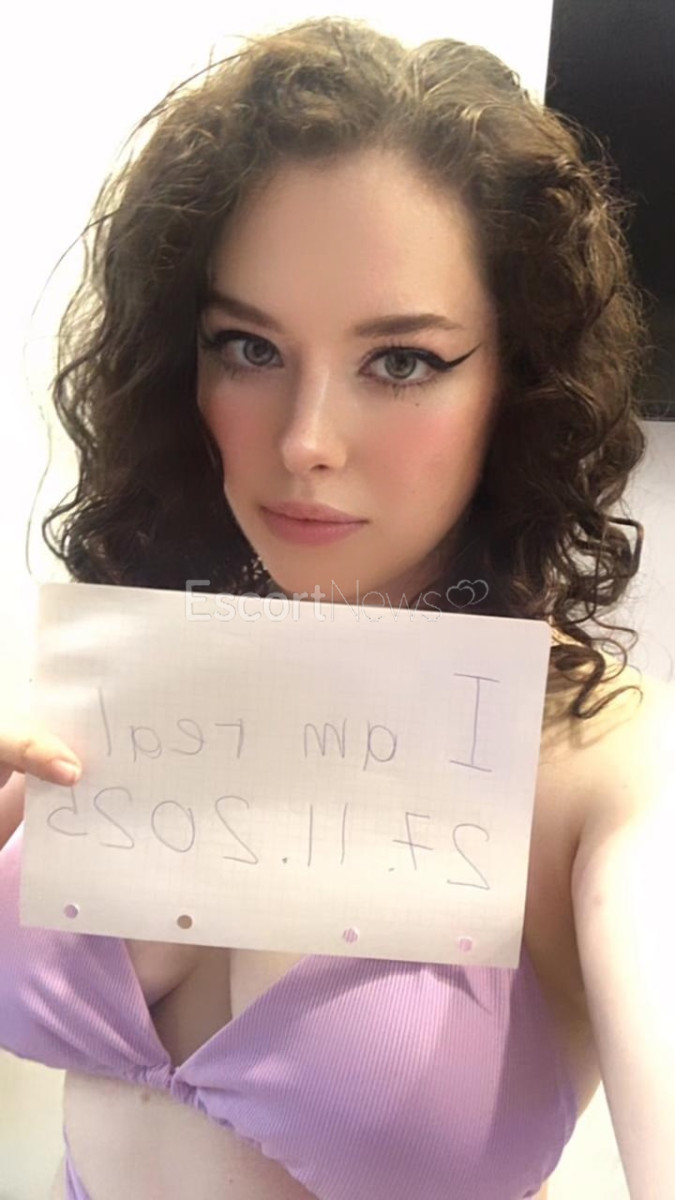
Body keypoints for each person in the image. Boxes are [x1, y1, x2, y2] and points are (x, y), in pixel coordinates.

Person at [0, 15, 671, 1200]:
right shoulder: (139, 667)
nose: (305, 441)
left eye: (401, 361)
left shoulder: (600, 768)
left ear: (518, 380)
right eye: (248, 347)